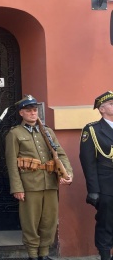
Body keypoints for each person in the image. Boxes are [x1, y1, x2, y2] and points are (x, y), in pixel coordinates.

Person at [5, 95, 73, 260]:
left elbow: (61, 154)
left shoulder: (47, 131)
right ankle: (33, 254)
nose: (33, 113)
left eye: (34, 110)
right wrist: (17, 188)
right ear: (21, 113)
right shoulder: (15, 133)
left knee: (48, 222)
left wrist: (68, 173)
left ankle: (44, 253)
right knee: (31, 222)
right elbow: (12, 164)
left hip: (49, 182)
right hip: (29, 184)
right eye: (28, 111)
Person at [79, 90, 113, 260]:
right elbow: (88, 162)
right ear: (102, 109)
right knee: (106, 224)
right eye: (112, 104)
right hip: (106, 185)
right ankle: (105, 256)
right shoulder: (92, 129)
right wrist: (93, 190)